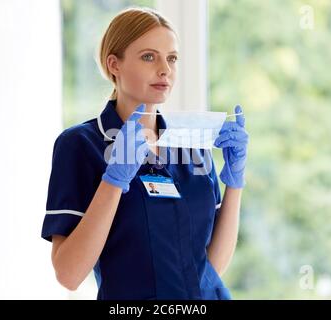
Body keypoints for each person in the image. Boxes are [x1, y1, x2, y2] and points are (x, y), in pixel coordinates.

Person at [41, 7, 249, 300]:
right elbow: (69, 274)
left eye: (172, 58)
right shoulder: (81, 145)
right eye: (149, 56)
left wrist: (235, 185)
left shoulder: (191, 145)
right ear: (114, 64)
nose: (165, 69)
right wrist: (113, 181)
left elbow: (210, 266)